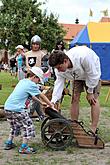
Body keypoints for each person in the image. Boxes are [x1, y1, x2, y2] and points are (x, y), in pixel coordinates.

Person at [49, 45, 101, 134]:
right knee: (74, 98)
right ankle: (74, 125)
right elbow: (59, 84)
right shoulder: (59, 69)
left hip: (91, 73)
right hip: (77, 76)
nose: (58, 70)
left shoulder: (83, 57)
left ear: (65, 61)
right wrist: (53, 101)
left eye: (59, 67)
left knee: (93, 100)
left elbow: (93, 74)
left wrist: (90, 92)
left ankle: (93, 128)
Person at [4, 66, 55, 154]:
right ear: (35, 77)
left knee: (14, 126)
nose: (38, 82)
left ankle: (9, 142)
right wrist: (51, 105)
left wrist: (40, 102)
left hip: (8, 107)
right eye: (38, 80)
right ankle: (24, 147)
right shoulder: (31, 84)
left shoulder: (22, 81)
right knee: (28, 126)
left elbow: (32, 96)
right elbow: (42, 95)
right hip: (17, 109)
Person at [25, 35, 46, 120]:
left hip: (38, 80)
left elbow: (45, 67)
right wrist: (26, 70)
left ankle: (28, 115)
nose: (35, 46)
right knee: (33, 98)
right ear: (31, 44)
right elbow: (23, 66)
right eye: (34, 44)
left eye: (37, 44)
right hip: (29, 79)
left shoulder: (43, 55)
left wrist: (36, 71)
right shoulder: (26, 54)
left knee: (35, 97)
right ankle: (42, 116)